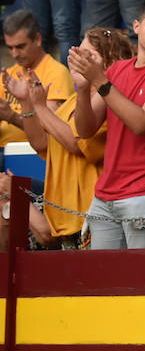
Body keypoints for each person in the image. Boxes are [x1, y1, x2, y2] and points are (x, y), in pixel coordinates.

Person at [69, 0, 145, 250]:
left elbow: (141, 122)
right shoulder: (117, 71)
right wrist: (83, 87)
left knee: (144, 284)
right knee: (103, 285)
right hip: (105, 195)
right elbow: (85, 130)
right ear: (137, 26)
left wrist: (98, 81)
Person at [7, 27, 132, 249]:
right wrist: (27, 101)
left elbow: (77, 143)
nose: (80, 59)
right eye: (79, 52)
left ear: (111, 61)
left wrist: (41, 108)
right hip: (66, 218)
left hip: (94, 216)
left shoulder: (111, 102)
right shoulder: (72, 102)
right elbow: (41, 143)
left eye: (90, 55)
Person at [0, 9, 76, 147]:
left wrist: (12, 117)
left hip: (33, 153)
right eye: (10, 48)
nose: (14, 54)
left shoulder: (56, 73)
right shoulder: (7, 75)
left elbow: (50, 128)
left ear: (38, 39)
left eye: (20, 46)